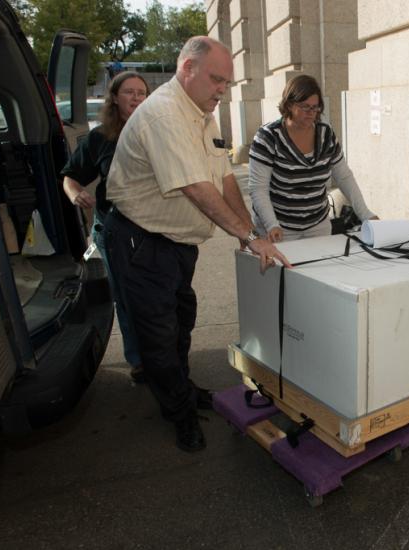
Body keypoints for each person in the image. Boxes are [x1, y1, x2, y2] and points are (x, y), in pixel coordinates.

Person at [104, 36, 290, 452]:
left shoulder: (203, 114)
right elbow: (196, 188)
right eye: (216, 80)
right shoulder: (164, 115)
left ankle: (181, 391)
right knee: (158, 337)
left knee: (180, 325)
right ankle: (180, 414)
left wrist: (253, 235)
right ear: (187, 68)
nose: (222, 90)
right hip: (141, 242)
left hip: (176, 245)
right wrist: (246, 236)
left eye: (226, 82)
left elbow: (224, 179)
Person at [60, 71, 149, 383]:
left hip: (153, 228)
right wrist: (75, 193)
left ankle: (166, 357)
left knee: (158, 297)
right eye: (129, 92)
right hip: (114, 228)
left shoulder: (159, 131)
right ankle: (139, 360)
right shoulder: (100, 138)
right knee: (126, 297)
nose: (137, 98)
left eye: (142, 92)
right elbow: (70, 177)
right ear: (114, 97)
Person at [248, 74, 376, 242]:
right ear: (289, 105)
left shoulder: (326, 134)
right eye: (305, 107)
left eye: (315, 108)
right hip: (278, 228)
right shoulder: (268, 137)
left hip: (318, 225)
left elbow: (344, 176)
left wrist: (366, 214)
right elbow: (258, 189)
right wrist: (271, 224)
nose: (311, 114)